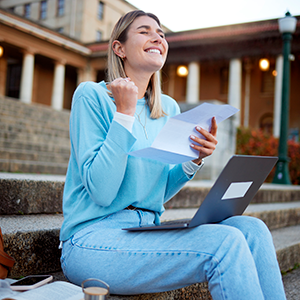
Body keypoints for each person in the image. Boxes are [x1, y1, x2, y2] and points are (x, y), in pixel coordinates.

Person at [60, 10, 286, 300]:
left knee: (252, 229)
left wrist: (194, 160)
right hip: (92, 241)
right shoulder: (91, 96)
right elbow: (102, 193)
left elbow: (158, 191)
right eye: (144, 31)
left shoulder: (168, 109)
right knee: (225, 243)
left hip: (144, 232)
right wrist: (124, 114)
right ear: (119, 48)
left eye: (161, 33)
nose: (158, 37)